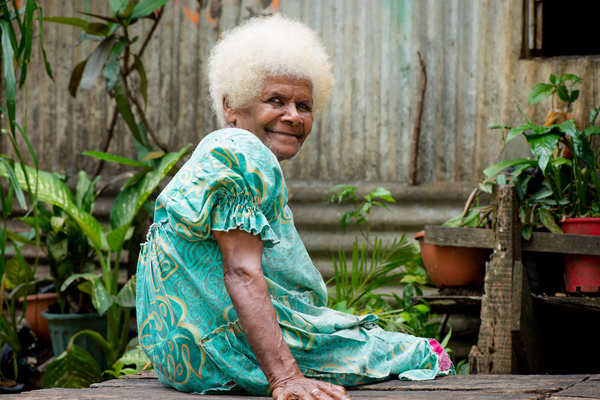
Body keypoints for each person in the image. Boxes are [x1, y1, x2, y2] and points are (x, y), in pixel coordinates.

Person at [136, 14, 453, 400]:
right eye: (276, 100)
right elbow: (241, 273)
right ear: (231, 105)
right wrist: (285, 377)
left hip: (184, 360)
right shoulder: (242, 152)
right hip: (228, 354)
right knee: (415, 352)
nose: (294, 116)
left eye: (304, 104)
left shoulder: (217, 153)